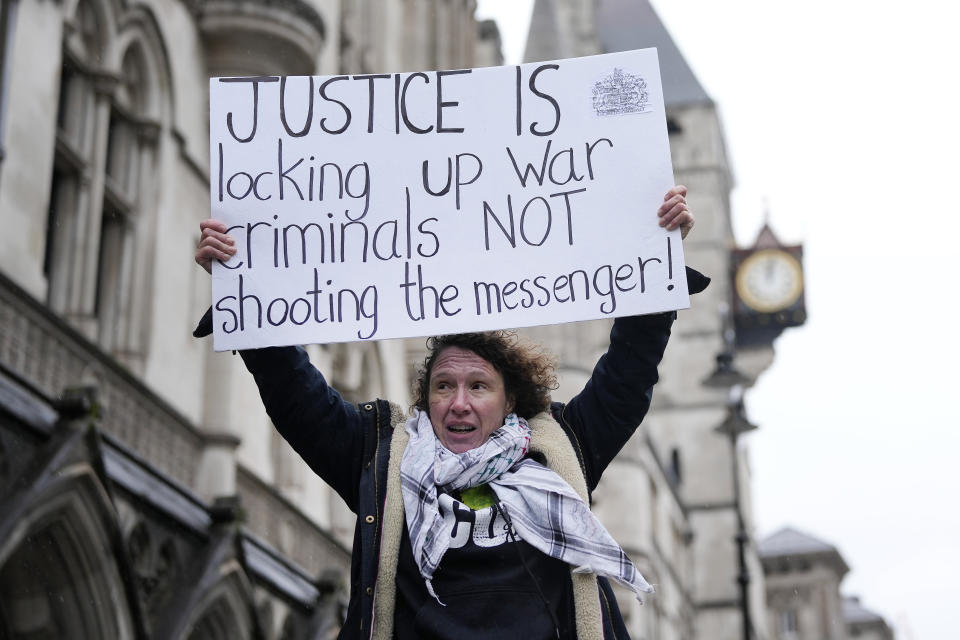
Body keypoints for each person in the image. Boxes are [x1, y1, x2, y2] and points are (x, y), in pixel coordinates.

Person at [194, 186, 705, 640]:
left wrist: (654, 254)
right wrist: (242, 287)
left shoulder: (559, 450)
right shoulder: (381, 459)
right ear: (426, 400)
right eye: (443, 386)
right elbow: (296, 395)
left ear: (510, 402)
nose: (459, 402)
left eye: (478, 386)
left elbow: (628, 374)